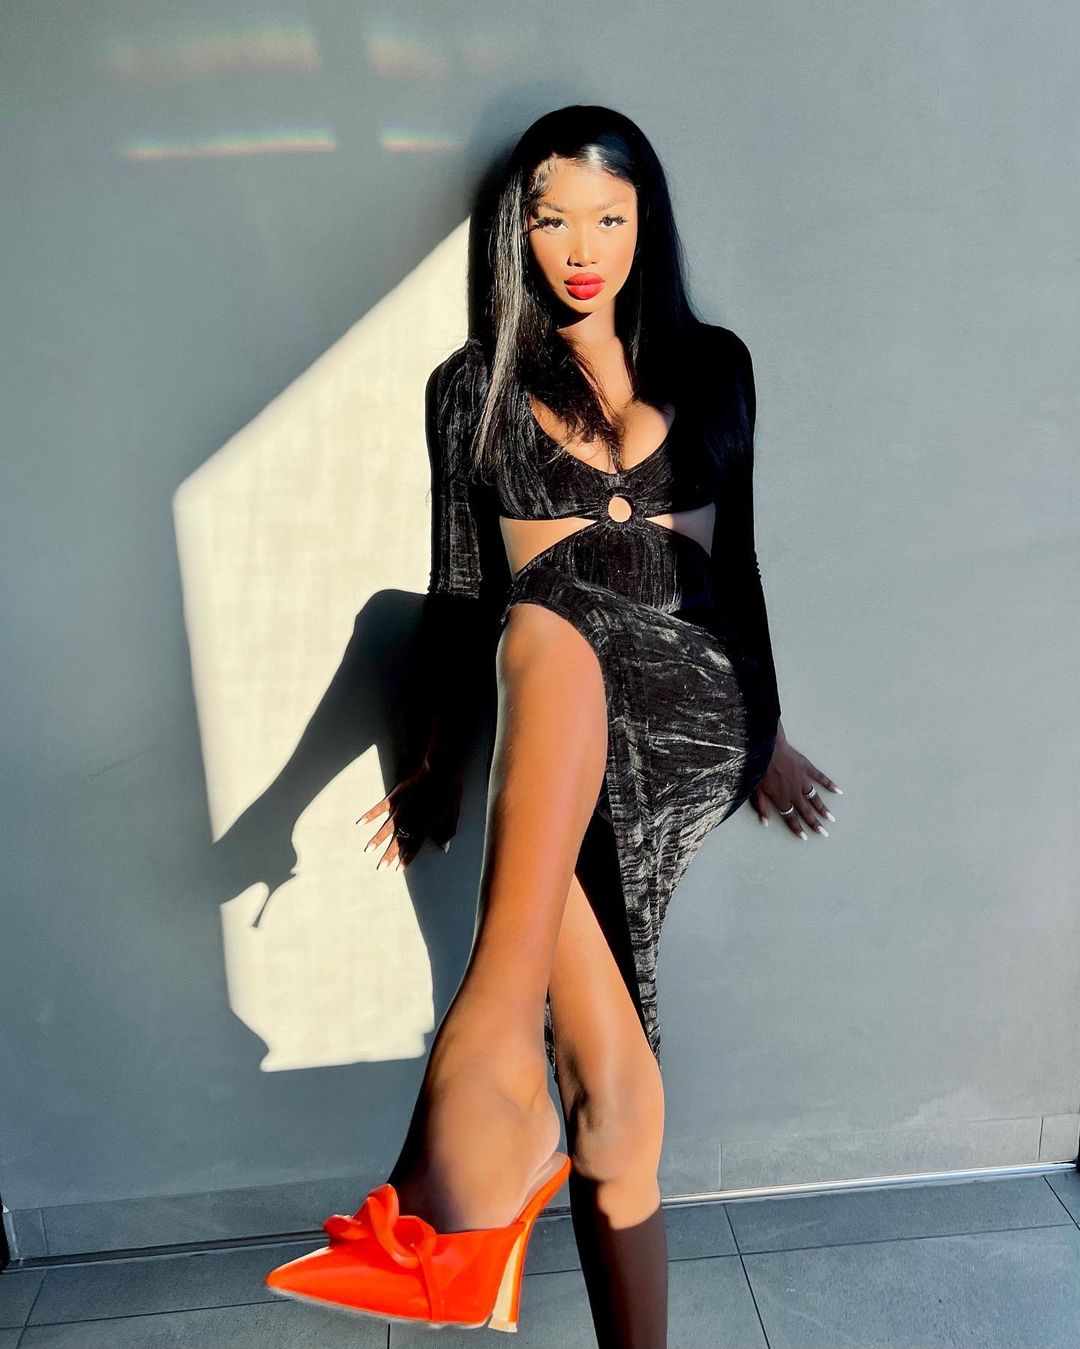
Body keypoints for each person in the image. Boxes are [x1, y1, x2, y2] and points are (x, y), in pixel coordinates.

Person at [265, 104, 840, 1346]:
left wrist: (772, 727)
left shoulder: (717, 366)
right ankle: (525, 1115)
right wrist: (436, 756)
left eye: (609, 218)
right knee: (605, 1067)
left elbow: (736, 567)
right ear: (514, 235)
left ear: (648, 225)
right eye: (552, 219)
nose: (582, 248)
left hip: (690, 706)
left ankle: (480, 1091)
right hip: (556, 715)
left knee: (549, 618)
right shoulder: (470, 389)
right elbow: (457, 591)